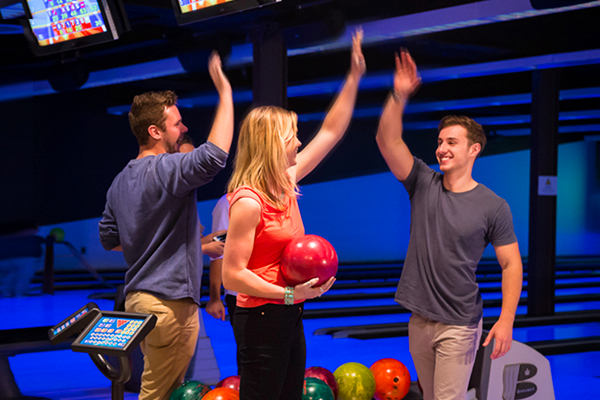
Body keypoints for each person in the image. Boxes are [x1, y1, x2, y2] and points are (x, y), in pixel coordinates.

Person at [222, 29, 366, 400]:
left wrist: (353, 79)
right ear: (274, 144)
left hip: (288, 311)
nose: (300, 142)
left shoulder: (285, 181)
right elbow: (232, 276)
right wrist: (287, 294)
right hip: (260, 318)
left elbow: (331, 131)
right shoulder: (249, 202)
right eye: (293, 137)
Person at [375, 50, 523, 400]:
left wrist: (506, 320)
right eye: (440, 142)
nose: (442, 149)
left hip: (459, 322)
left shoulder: (493, 205)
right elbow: (386, 140)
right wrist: (399, 94)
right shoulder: (423, 182)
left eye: (451, 143)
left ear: (474, 150)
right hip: (419, 318)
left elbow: (511, 263)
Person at [98, 52, 233, 399]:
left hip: (139, 301)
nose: (184, 128)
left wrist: (162, 240)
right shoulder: (166, 169)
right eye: (177, 124)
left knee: (163, 388)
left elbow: (110, 240)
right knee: (157, 394)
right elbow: (214, 156)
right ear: (155, 131)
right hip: (170, 304)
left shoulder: (119, 181)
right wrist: (226, 92)